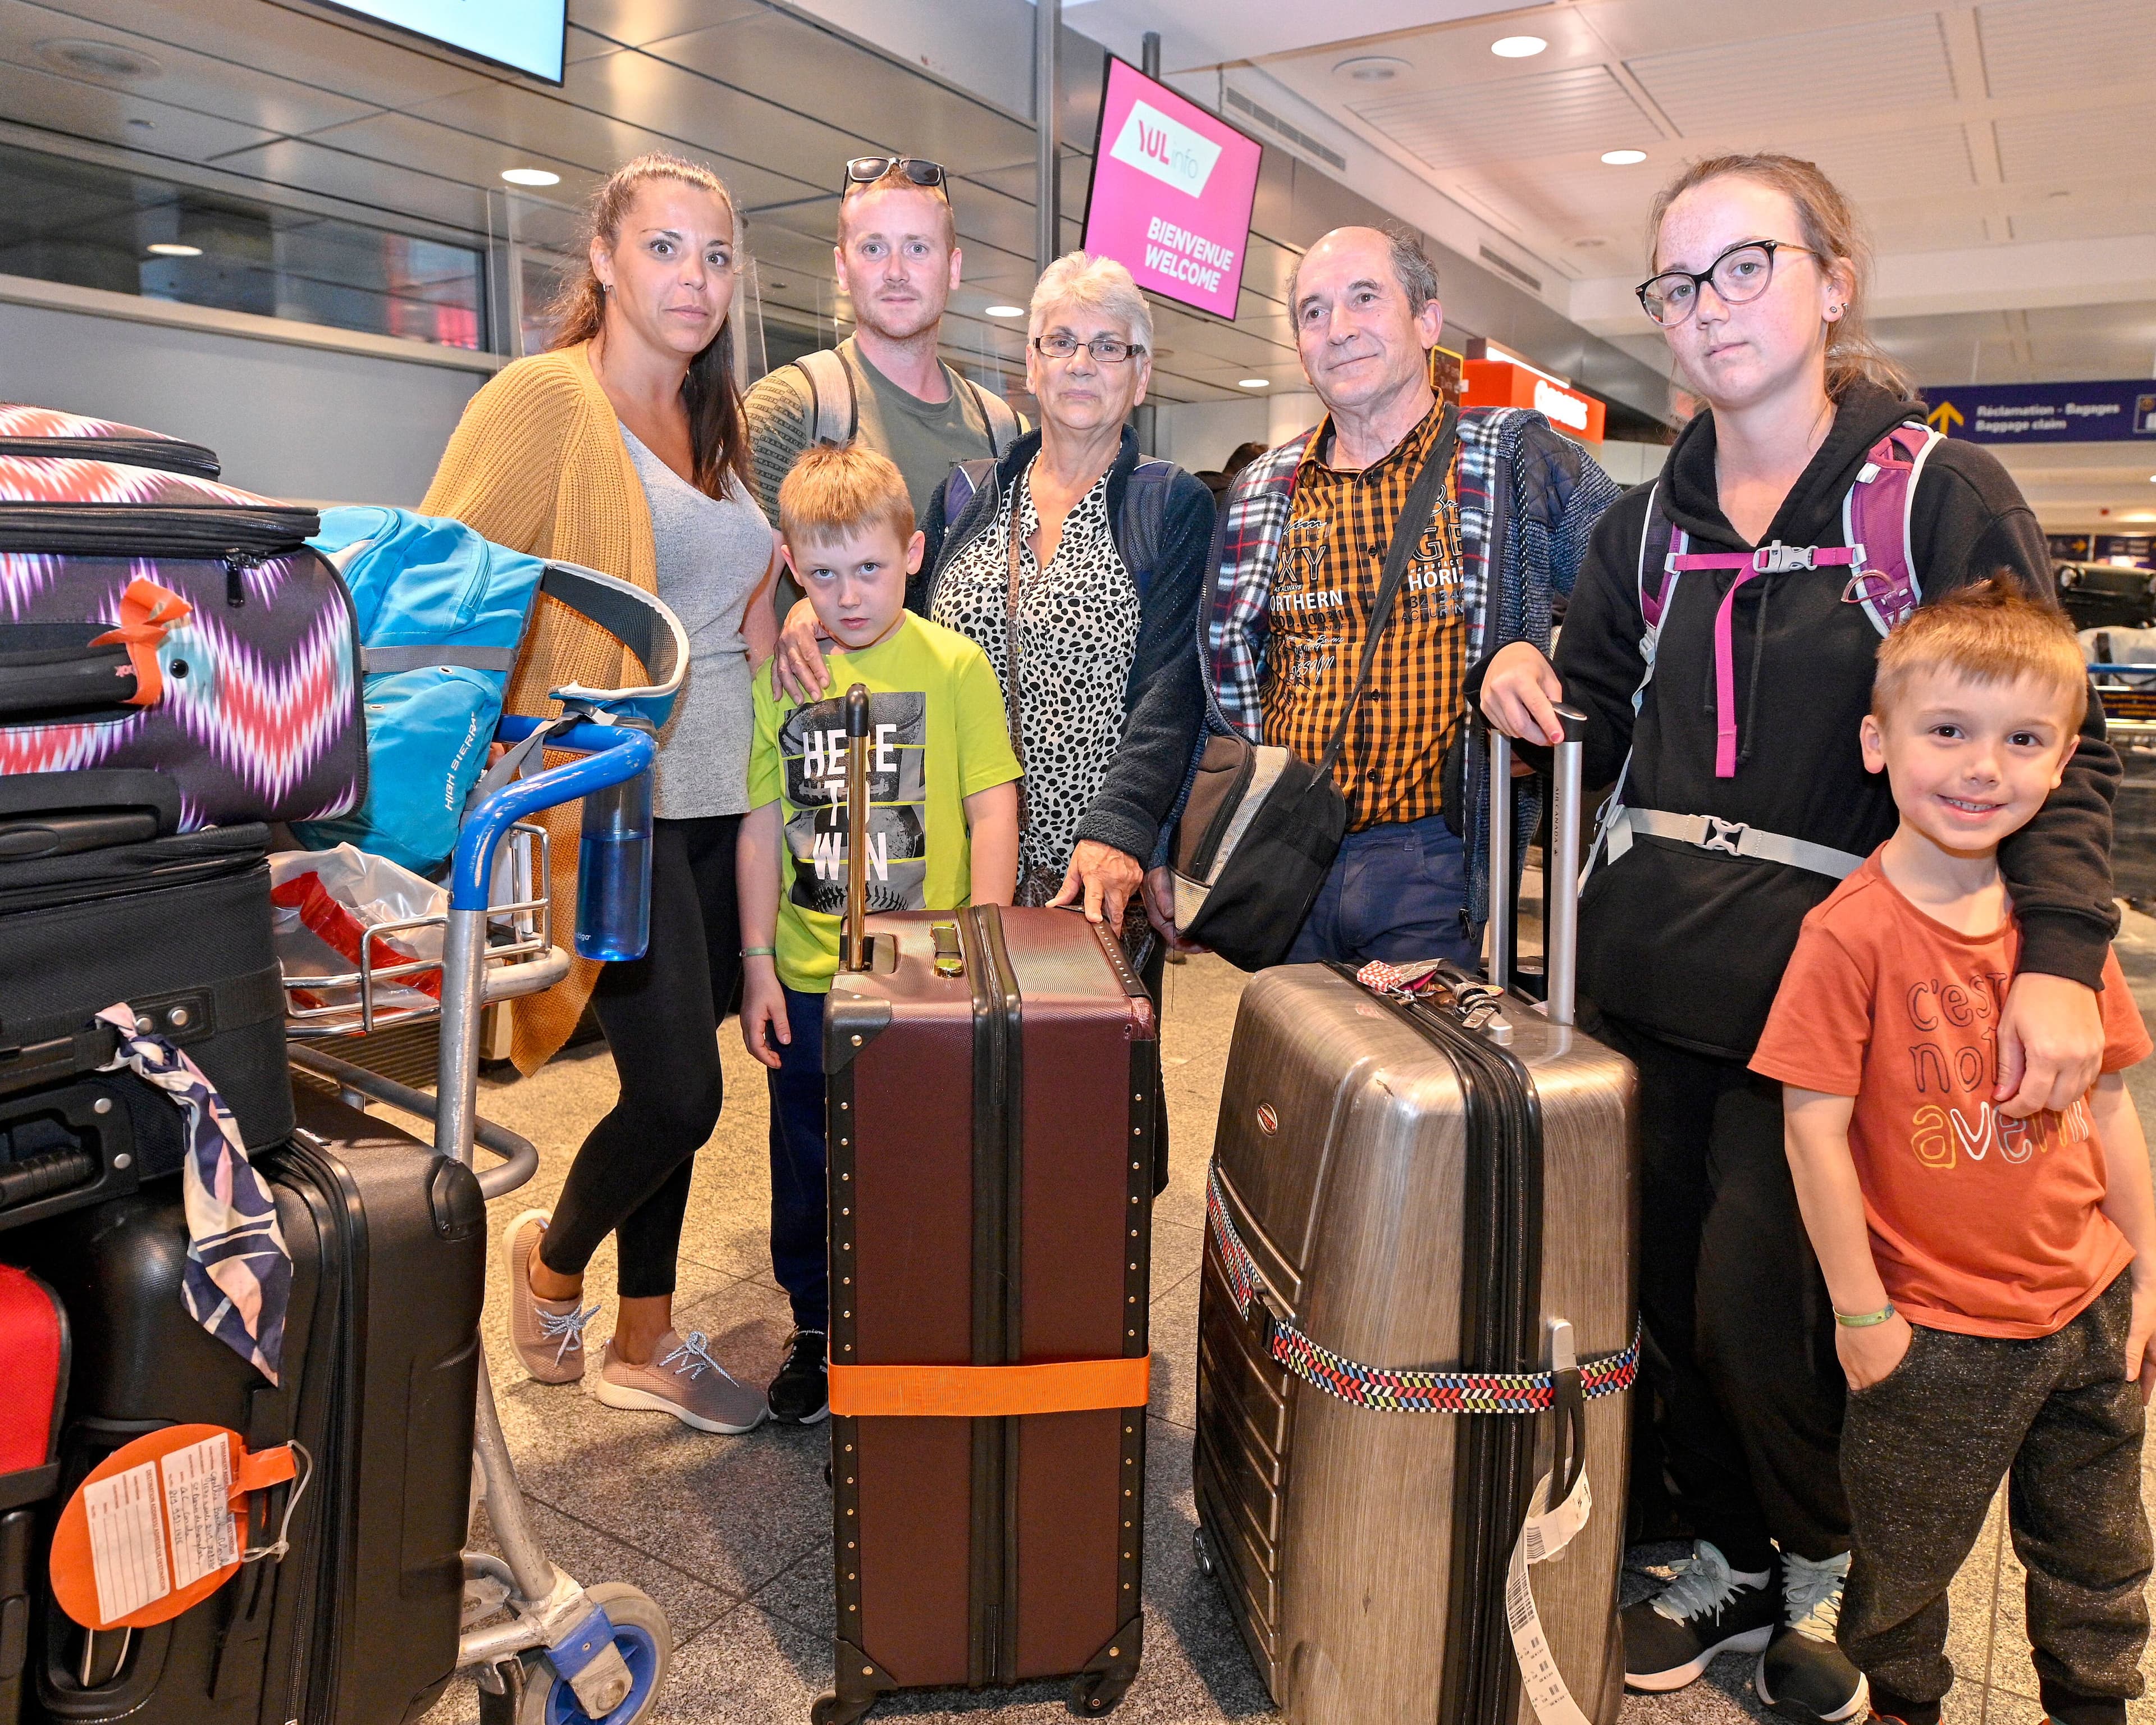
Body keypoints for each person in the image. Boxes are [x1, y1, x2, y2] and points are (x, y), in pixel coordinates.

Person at [1477, 154, 2122, 1718]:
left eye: (1745, 267)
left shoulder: (1936, 494)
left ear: (1834, 280)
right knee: (1660, 1291)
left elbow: (2051, 736)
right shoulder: (1641, 526)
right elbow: (1596, 704)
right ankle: (1722, 1554)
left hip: (1834, 989)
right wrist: (1524, 676)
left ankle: (1820, 1553)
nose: (1710, 310)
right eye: (1679, 285)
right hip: (1641, 973)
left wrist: (2054, 959)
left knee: (1768, 1300)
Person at [1752, 583, 2153, 1725]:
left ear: (2065, 756)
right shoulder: (1851, 935)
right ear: (1880, 743)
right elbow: (1812, 1127)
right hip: (1935, 1331)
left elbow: (2113, 1108)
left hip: (2091, 1313)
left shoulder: (2064, 940)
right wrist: (1863, 1313)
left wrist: (2150, 1272)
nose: (1984, 768)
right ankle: (1906, 1705)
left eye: (2023, 740)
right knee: (1905, 1565)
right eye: (1949, 732)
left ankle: (2094, 1704)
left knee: (2102, 1548)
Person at [423, 153, 778, 1434]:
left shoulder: (714, 419)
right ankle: (554, 1262)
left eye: (716, 254)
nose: (695, 277)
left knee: (665, 1085)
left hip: (718, 802)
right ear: (604, 260)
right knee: (683, 1089)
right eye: (667, 248)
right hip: (616, 806)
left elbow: (721, 607)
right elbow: (441, 580)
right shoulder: (547, 399)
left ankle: (644, 1333)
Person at [771, 252, 1215, 1183]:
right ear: (1030, 365)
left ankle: (1085, 1304)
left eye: (1110, 346)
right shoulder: (969, 496)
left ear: (1142, 373)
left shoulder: (1168, 504)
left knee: (1088, 1102)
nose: (1084, 364)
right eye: (1063, 343)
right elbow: (896, 621)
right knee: (949, 1099)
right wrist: (815, 609)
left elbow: (1174, 684)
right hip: (951, 861)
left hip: (1085, 870)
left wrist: (1122, 830)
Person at [1204, 223, 1618, 966]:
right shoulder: (1263, 488)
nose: (1338, 330)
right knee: (1299, 1071)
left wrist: (1540, 671)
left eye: (1365, 298)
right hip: (1290, 849)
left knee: (1415, 1076)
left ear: (1427, 320)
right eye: (1314, 311)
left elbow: (1630, 591)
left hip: (1431, 856)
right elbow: (1218, 676)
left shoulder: (1509, 458)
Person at [739, 443, 1021, 1423]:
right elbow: (762, 822)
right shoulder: (786, 673)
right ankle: (818, 1326)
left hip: (924, 979)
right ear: (790, 563)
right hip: (811, 980)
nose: (847, 595)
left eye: (868, 567)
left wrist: (982, 953)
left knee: (922, 1157)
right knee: (809, 1158)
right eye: (822, 573)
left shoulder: (954, 665)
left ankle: (913, 1317)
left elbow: (994, 809)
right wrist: (757, 965)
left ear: (913, 551)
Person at [742, 156, 1021, 614]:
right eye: (873, 249)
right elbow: (747, 612)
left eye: (917, 248)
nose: (895, 271)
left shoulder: (1006, 433)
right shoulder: (790, 408)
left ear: (953, 268)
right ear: (842, 267)